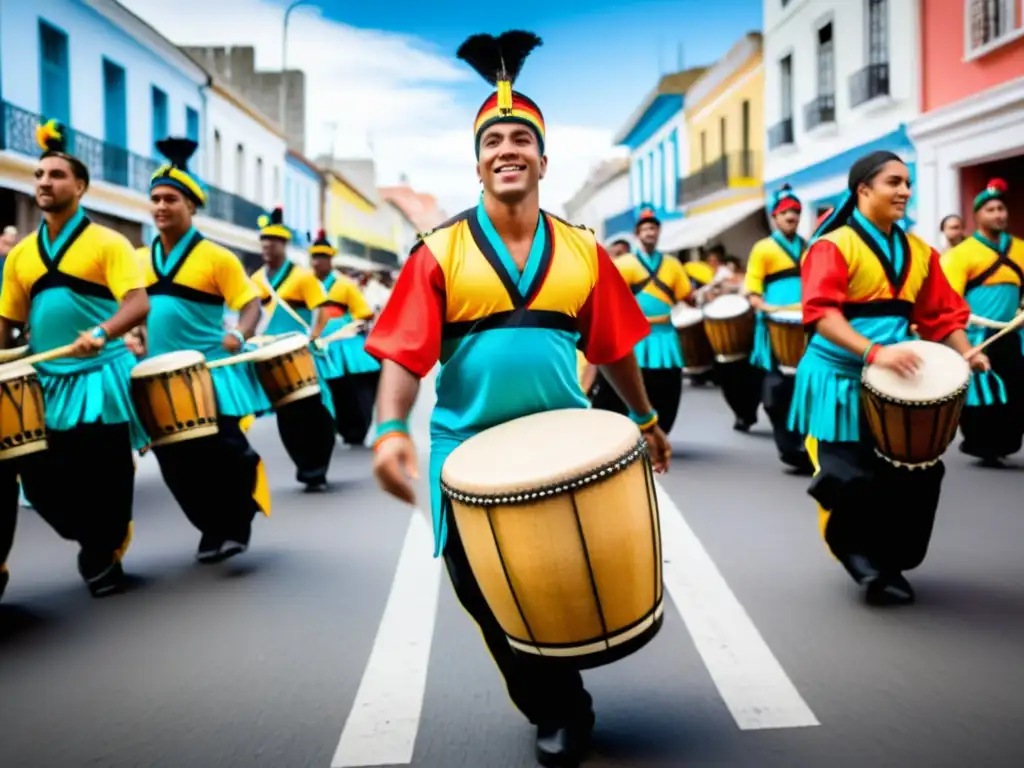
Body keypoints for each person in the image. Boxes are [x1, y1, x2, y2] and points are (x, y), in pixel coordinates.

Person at [365, 30, 672, 768]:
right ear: (478, 162)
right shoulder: (437, 251)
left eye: (521, 139)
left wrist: (645, 418)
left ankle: (564, 679)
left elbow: (614, 347)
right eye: (494, 139)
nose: (508, 149)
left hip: (563, 438)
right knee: (482, 591)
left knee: (564, 569)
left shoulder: (584, 248)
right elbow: (406, 351)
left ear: (542, 158)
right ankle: (558, 707)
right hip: (463, 450)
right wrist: (388, 429)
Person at [789, 150, 989, 606]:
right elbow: (821, 316)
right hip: (839, 374)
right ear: (863, 190)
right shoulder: (832, 245)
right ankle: (860, 559)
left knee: (911, 474)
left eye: (908, 183)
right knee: (854, 473)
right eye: (893, 182)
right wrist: (874, 352)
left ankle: (889, 555)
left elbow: (940, 313)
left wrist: (965, 352)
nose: (904, 191)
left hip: (896, 377)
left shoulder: (920, 252)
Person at [0, 119, 150, 598]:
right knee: (40, 481)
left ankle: (102, 554)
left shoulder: (109, 242)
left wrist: (103, 332)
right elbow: (6, 324)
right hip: (47, 380)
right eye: (39, 175)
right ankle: (96, 541)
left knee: (105, 473)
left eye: (56, 175)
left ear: (79, 186)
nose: (45, 182)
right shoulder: (21, 254)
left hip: (100, 373)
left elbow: (136, 303)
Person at [136, 137, 271, 562]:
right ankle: (212, 527)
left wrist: (241, 335)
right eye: (155, 199)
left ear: (191, 206)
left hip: (208, 371)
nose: (160, 206)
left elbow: (250, 305)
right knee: (175, 463)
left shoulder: (217, 257)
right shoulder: (138, 259)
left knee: (225, 451)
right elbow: (129, 308)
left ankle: (236, 520)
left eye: (170, 199)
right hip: (157, 377)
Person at [252, 208, 338, 490]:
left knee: (313, 409)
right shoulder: (255, 280)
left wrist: (313, 336)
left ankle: (318, 467)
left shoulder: (302, 277)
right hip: (269, 356)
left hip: (299, 352)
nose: (266, 246)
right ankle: (305, 466)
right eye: (263, 242)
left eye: (272, 242)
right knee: (287, 414)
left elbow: (322, 309)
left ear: (283, 244)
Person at [940, 179, 1024, 465]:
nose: (998, 214)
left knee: (1015, 388)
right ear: (976, 216)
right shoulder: (959, 256)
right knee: (981, 392)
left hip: (1013, 333)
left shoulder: (1021, 249)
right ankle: (983, 445)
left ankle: (1007, 441)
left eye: (1001, 208)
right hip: (978, 336)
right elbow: (948, 299)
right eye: (990, 209)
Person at [590, 207, 693, 436]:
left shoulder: (673, 265)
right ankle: (622, 430)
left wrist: (703, 297)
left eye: (653, 228)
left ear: (658, 232)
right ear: (638, 234)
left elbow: (687, 297)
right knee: (628, 383)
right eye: (645, 228)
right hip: (635, 334)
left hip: (664, 334)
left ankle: (660, 430)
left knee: (666, 386)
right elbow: (610, 297)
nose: (650, 232)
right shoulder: (624, 263)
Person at [745, 184, 812, 472]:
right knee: (778, 389)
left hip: (806, 325)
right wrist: (767, 309)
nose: (791, 217)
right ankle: (789, 447)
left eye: (795, 213)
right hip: (776, 328)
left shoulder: (808, 246)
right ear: (775, 217)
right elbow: (753, 291)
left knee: (807, 388)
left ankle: (807, 445)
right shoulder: (763, 249)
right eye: (786, 213)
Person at [310, 230, 381, 446]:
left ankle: (355, 429)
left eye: (322, 257)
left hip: (344, 345)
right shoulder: (305, 284)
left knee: (352, 390)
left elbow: (363, 313)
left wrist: (343, 327)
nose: (317, 262)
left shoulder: (345, 285)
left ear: (330, 259)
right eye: (314, 257)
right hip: (315, 345)